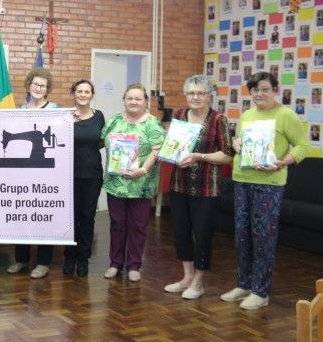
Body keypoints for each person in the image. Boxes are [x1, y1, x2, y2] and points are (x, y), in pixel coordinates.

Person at [221, 72, 310, 309]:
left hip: (269, 183)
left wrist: (284, 161)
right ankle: (243, 284)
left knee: (263, 238)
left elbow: (303, 145)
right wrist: (236, 143)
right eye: (255, 90)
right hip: (242, 179)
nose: (259, 94)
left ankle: (261, 292)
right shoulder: (248, 114)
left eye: (264, 89)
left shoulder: (286, 115)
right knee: (242, 236)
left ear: (275, 90)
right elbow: (240, 141)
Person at [162, 76, 233, 299]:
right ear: (186, 94)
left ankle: (199, 283)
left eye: (201, 93)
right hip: (179, 184)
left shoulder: (218, 119)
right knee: (181, 232)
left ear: (209, 96)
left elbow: (228, 155)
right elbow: (173, 146)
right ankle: (186, 277)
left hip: (206, 188)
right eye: (191, 93)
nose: (195, 97)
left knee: (202, 234)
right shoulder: (179, 115)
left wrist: (199, 156)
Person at [101, 83, 165, 282]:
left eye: (138, 98)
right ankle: (115, 263)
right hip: (116, 184)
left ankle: (134, 265)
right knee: (117, 224)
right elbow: (100, 140)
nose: (134, 102)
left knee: (138, 226)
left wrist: (143, 169)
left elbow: (157, 150)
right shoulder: (114, 120)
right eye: (130, 98)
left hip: (142, 183)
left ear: (145, 101)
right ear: (124, 100)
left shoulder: (153, 123)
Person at [7, 68, 60, 279]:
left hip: (47, 172)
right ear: (28, 86)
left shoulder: (55, 109)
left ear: (47, 90)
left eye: (43, 86)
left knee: (43, 214)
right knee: (24, 212)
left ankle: (44, 262)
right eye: (35, 84)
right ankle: (21, 259)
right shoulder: (20, 109)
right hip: (24, 171)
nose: (38, 88)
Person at [63, 79, 105, 277]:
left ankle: (83, 258)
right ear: (74, 93)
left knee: (87, 217)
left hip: (92, 174)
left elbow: (103, 140)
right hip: (68, 174)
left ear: (92, 95)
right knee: (69, 217)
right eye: (79, 91)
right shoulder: (66, 116)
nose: (82, 95)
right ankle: (69, 256)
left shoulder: (99, 116)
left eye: (86, 92)